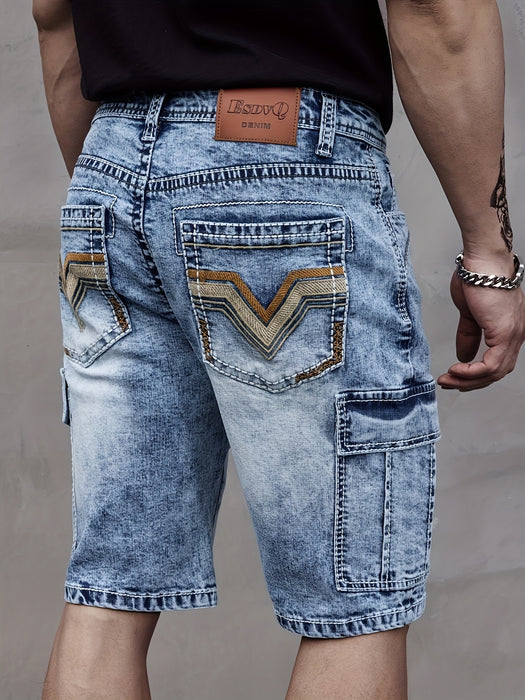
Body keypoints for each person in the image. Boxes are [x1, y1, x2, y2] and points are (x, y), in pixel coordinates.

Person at [33, 0, 525, 698]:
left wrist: (122, 193)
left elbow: (54, 13)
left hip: (106, 173)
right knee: (353, 604)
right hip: (283, 162)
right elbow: (435, 9)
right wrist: (488, 253)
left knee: (109, 591)